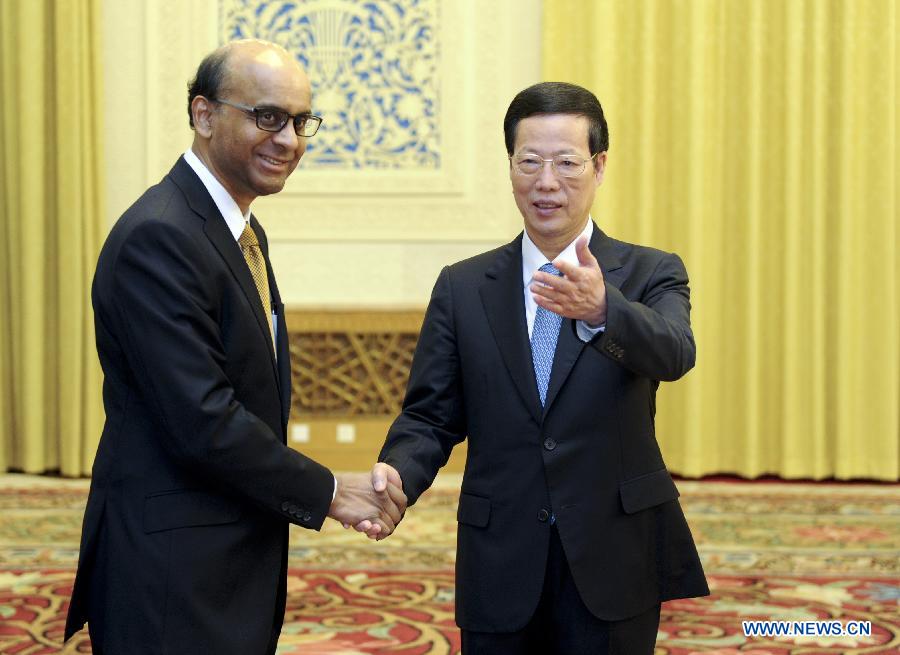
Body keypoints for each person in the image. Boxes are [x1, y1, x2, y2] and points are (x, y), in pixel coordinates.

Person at [64, 39, 405, 654]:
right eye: (267, 116)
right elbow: (204, 421)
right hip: (172, 570)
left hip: (223, 553)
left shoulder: (238, 228)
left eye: (301, 122)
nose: (289, 140)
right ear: (203, 115)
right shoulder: (160, 237)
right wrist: (330, 491)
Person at [370, 82, 708, 654]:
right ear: (510, 167)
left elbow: (676, 352)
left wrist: (606, 311)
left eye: (566, 163)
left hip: (613, 552)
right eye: (529, 162)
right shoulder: (465, 285)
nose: (546, 182)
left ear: (598, 166)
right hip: (500, 553)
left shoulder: (649, 272)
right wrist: (398, 474)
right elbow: (431, 414)